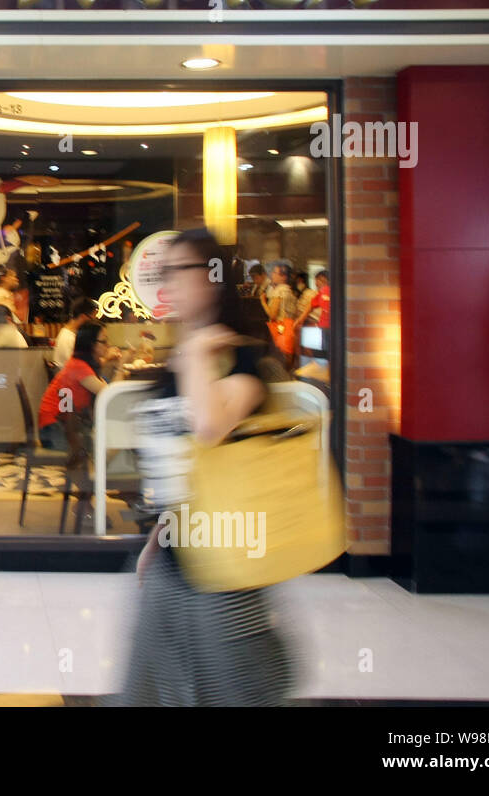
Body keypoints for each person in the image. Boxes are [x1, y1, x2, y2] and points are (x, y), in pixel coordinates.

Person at [110, 228, 296, 706]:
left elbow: (210, 427)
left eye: (178, 270)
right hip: (175, 562)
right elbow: (184, 465)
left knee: (232, 694)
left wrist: (195, 352)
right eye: (163, 272)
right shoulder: (180, 360)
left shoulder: (243, 359)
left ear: (211, 276)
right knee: (146, 693)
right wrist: (158, 534)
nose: (167, 282)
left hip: (227, 570)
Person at [36, 320, 129, 451]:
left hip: (65, 425)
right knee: (108, 442)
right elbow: (109, 395)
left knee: (108, 438)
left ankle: (101, 467)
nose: (108, 345)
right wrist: (121, 366)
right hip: (53, 430)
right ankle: (100, 469)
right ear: (91, 344)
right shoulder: (79, 367)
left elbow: (105, 387)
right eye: (103, 341)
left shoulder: (82, 364)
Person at [52, 298, 98, 365]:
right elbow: (78, 369)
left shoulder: (69, 334)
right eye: (93, 319)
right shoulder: (69, 338)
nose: (93, 323)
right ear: (83, 317)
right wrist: (106, 358)